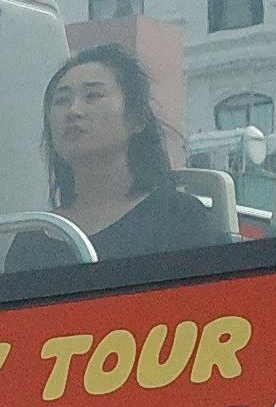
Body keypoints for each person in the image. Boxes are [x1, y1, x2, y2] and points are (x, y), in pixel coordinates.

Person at [42, 33, 202, 260]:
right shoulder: (34, 236)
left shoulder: (179, 217)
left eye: (93, 96)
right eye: (61, 100)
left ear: (137, 119)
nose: (73, 110)